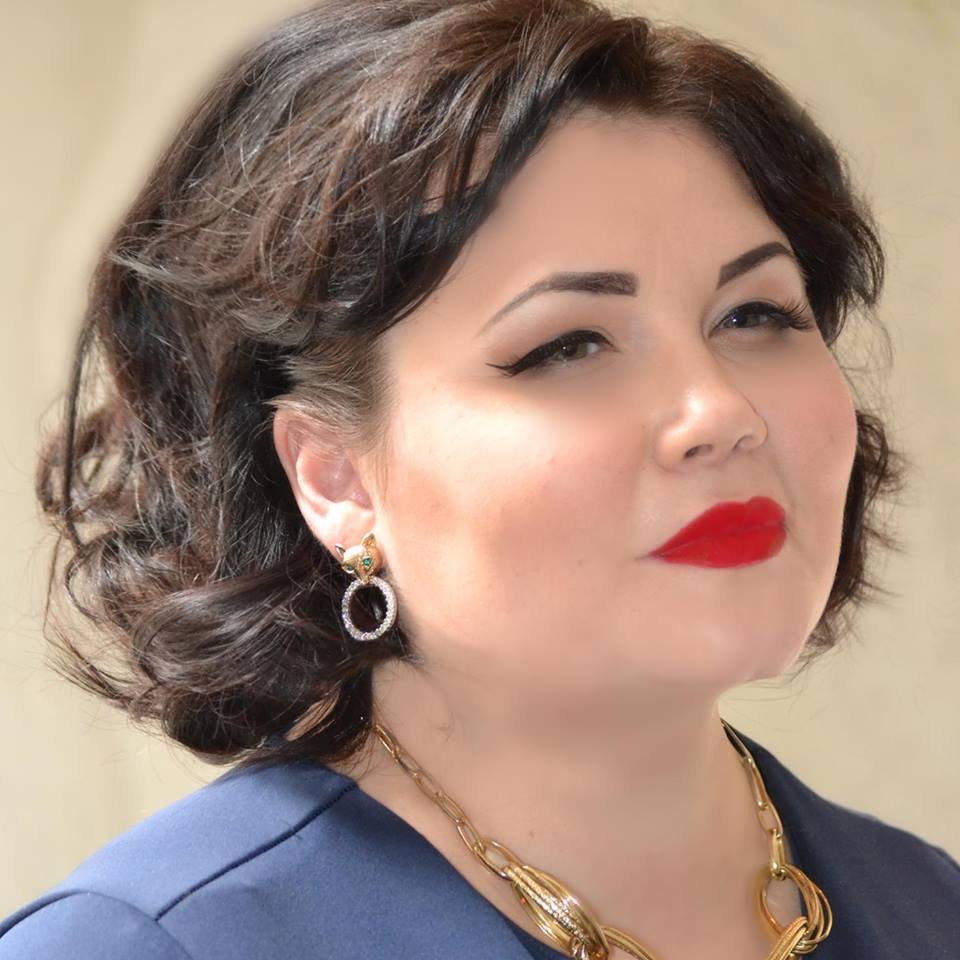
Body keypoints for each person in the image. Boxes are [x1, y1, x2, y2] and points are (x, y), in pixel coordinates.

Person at [2, 0, 957, 957]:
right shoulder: (150, 945)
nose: (720, 412)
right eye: (568, 345)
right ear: (335, 479)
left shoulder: (929, 905)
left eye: (756, 315)